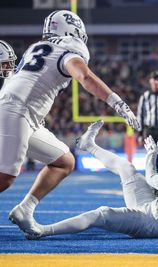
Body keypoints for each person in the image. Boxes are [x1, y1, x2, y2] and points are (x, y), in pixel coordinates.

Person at [2, 10, 141, 235]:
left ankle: (25, 209)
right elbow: (84, 77)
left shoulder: (35, 48)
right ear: (73, 30)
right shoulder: (69, 49)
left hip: (25, 114)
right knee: (5, 177)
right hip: (17, 110)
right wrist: (118, 103)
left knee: (63, 161)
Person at [18, 120, 158, 240]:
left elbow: (151, 177)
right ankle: (88, 145)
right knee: (126, 168)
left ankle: (43, 231)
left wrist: (151, 153)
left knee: (101, 214)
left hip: (150, 224)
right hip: (154, 209)